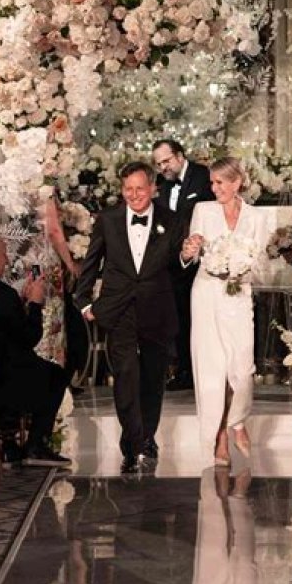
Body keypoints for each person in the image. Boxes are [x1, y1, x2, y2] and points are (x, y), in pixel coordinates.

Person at [76, 162, 186, 473]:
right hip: (118, 308)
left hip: (157, 307)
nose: (134, 195)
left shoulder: (172, 219)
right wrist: (84, 302)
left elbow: (178, 266)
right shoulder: (108, 220)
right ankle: (133, 445)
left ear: (153, 188)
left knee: (152, 377)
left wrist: (187, 256)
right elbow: (92, 261)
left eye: (140, 188)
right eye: (128, 189)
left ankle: (146, 436)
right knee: (125, 374)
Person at [181, 157, 271, 465]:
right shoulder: (203, 210)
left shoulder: (256, 217)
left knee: (241, 370)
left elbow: (261, 264)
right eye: (212, 182)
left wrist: (241, 267)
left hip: (238, 296)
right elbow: (190, 255)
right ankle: (219, 438)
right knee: (212, 372)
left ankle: (237, 421)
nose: (214, 188)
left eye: (220, 182)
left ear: (236, 183)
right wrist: (189, 250)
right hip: (206, 294)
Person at [0, 235, 70, 467]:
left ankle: (9, 443)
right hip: (6, 379)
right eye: (4, 255)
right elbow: (29, 338)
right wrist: (34, 304)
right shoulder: (3, 293)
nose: (6, 261)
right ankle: (36, 443)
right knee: (56, 374)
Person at [153, 139, 215, 392]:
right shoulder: (162, 184)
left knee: (199, 317)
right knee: (177, 317)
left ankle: (201, 371)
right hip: (173, 262)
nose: (163, 167)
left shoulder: (203, 177)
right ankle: (183, 370)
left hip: (201, 260)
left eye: (166, 161)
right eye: (158, 164)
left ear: (180, 156)